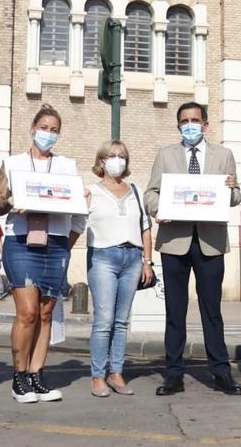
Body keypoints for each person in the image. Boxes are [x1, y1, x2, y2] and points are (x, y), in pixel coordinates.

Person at [145, 102, 241, 396]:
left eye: (195, 120)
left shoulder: (224, 155)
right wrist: (157, 208)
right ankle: (173, 373)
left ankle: (221, 372)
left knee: (211, 311)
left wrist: (231, 189)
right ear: (179, 126)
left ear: (206, 124)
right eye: (185, 121)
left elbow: (236, 196)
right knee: (175, 311)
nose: (190, 125)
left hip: (210, 241)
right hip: (175, 240)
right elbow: (151, 192)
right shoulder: (166, 155)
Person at [0, 105, 86, 403]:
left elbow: (77, 210)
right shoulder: (12, 163)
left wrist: (69, 238)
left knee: (47, 313)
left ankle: (37, 374)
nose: (48, 133)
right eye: (44, 127)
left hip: (56, 242)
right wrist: (12, 201)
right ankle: (19, 377)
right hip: (20, 240)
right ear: (33, 128)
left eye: (54, 129)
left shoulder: (67, 167)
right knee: (28, 312)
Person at [85, 140, 153, 397]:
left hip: (133, 257)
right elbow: (78, 223)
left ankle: (116, 372)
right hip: (103, 256)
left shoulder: (135, 189)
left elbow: (145, 226)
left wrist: (147, 260)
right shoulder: (91, 191)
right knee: (104, 319)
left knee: (122, 321)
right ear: (101, 161)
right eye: (112, 155)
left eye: (122, 155)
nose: (118, 160)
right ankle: (98, 376)